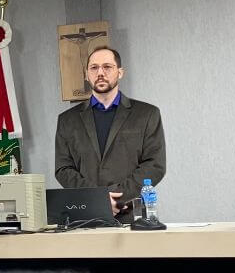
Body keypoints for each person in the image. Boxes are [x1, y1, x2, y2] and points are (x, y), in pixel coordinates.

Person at [55, 46, 166, 219]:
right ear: (86, 74)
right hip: (85, 215)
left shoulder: (147, 114)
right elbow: (63, 169)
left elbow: (155, 165)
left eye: (107, 67)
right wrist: (97, 199)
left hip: (132, 214)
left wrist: (118, 197)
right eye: (94, 67)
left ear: (120, 72)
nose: (100, 72)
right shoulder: (67, 120)